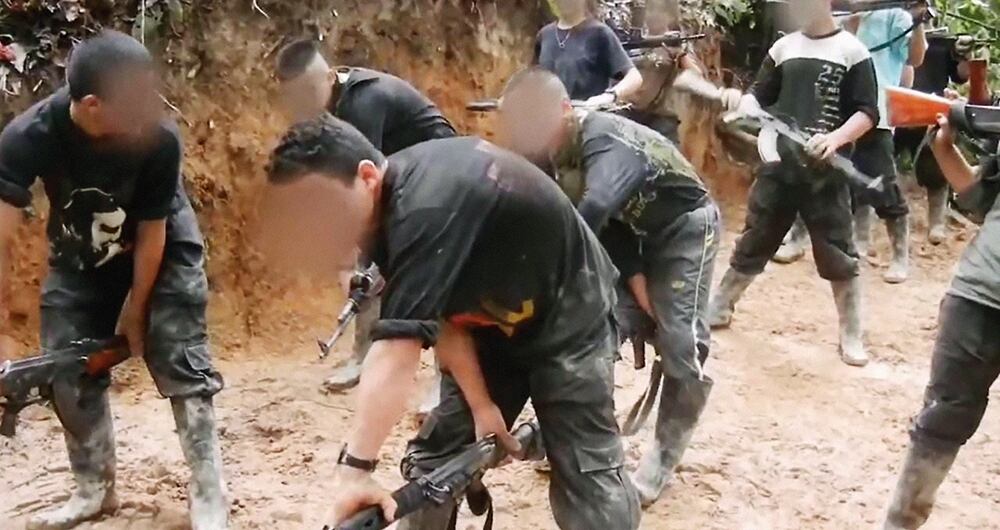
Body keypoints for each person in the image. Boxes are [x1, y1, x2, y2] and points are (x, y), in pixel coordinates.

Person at [258, 115, 640, 530]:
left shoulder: (426, 204)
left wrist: (355, 471)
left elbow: (395, 352)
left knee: (587, 470)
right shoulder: (378, 218)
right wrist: (481, 405)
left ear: (366, 177)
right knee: (436, 463)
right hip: (491, 325)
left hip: (570, 316)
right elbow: (444, 318)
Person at [0, 31, 226, 529]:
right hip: (83, 241)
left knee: (179, 349)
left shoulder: (159, 139)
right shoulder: (28, 137)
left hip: (160, 240)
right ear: (92, 104)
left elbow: (152, 231)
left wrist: (137, 310)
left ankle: (210, 495)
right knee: (64, 361)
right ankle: (94, 489)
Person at [499, 67, 720, 507]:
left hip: (686, 229)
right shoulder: (549, 157)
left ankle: (662, 458)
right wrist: (638, 297)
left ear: (564, 110)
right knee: (594, 328)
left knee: (680, 341)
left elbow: (594, 210)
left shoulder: (603, 137)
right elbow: (611, 234)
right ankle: (577, 440)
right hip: (630, 238)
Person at [274, 39, 456, 399]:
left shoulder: (364, 103)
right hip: (402, 175)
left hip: (441, 178)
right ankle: (363, 356)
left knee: (431, 275)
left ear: (329, 76)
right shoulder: (327, 107)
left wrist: (346, 261)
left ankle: (444, 382)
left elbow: (356, 185)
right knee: (368, 272)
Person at [707, 0, 879, 367]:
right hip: (778, 165)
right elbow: (760, 95)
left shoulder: (852, 51)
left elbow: (867, 112)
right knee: (756, 238)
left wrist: (835, 139)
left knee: (837, 251)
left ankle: (851, 333)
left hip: (825, 173)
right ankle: (720, 307)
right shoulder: (784, 48)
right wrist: (742, 102)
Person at [882, 113, 1000, 530]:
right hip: (980, 293)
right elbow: (978, 196)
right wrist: (943, 145)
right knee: (944, 416)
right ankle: (902, 521)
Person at [775, 5, 928, 285]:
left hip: (874, 115)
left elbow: (915, 59)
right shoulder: (835, 14)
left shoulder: (895, 16)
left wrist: (918, 21)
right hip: (832, 113)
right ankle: (796, 239)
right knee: (810, 175)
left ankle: (899, 256)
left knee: (883, 186)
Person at [894, 34, 974, 244]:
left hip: (931, 110)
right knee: (884, 162)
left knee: (935, 166)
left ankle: (936, 222)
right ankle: (893, 221)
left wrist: (965, 53)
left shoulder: (943, 42)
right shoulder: (894, 30)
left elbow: (962, 75)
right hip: (896, 106)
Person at [534, 0, 644, 105]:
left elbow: (634, 77)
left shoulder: (599, 33)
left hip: (586, 116)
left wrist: (609, 96)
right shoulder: (545, 35)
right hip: (550, 117)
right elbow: (534, 79)